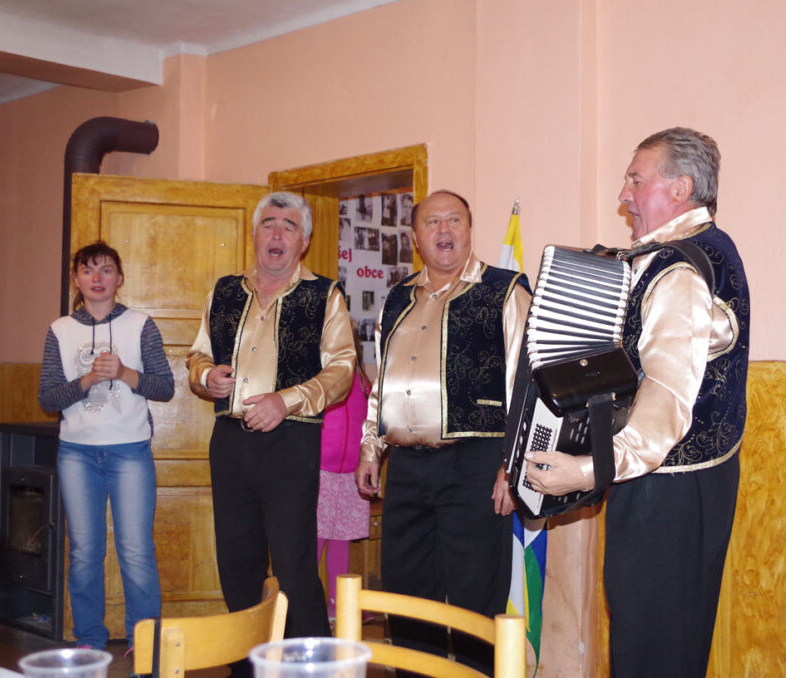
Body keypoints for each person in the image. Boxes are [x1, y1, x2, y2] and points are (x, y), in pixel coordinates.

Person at [525, 128, 750, 677]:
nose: (623, 195)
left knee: (653, 648)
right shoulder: (697, 251)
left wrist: (586, 469)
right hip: (674, 484)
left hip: (666, 490)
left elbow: (665, 401)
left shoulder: (678, 270)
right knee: (660, 642)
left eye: (635, 180)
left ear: (681, 188)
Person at [356, 190, 531, 674]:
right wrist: (371, 446)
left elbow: (526, 384)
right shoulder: (397, 298)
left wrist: (512, 466)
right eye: (432, 222)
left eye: (454, 220)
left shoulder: (505, 290)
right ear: (416, 237)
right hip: (406, 470)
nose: (444, 230)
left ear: (470, 229)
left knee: (476, 601)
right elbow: (382, 382)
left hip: (476, 466)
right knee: (407, 597)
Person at [186, 192, 355, 649]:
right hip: (229, 443)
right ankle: (247, 662)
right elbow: (198, 354)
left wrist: (287, 401)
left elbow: (342, 370)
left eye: (289, 226)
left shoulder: (324, 295)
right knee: (236, 563)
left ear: (304, 241)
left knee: (293, 566)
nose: (277, 234)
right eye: (269, 224)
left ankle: (311, 664)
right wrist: (205, 376)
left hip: (291, 444)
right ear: (255, 234)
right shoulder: (223, 291)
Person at [38, 241, 174, 651]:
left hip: (130, 451)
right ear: (76, 279)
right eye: (88, 270)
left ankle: (144, 642)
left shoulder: (141, 324)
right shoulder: (60, 330)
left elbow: (165, 388)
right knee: (84, 551)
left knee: (136, 550)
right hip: (76, 454)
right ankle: (89, 639)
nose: (97, 278)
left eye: (106, 270)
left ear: (120, 278)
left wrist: (125, 373)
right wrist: (88, 380)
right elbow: (47, 399)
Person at [316, 328, 371, 620]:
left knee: (341, 540)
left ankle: (338, 605)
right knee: (314, 539)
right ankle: (304, 604)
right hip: (320, 472)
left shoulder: (362, 378)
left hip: (352, 474)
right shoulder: (320, 376)